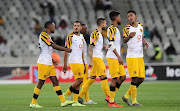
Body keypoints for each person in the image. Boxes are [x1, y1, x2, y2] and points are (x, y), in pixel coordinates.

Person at [29, 21, 73, 108]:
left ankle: (63, 101)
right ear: (49, 27)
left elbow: (47, 49)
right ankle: (33, 103)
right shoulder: (43, 34)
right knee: (41, 82)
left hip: (48, 62)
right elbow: (54, 46)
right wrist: (66, 49)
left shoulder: (48, 36)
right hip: (43, 63)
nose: (54, 28)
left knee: (55, 81)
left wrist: (51, 59)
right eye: (53, 26)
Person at [78, 18, 110, 104]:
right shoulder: (95, 33)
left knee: (91, 79)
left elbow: (96, 46)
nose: (106, 25)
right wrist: (91, 60)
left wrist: (104, 47)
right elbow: (90, 47)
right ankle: (109, 98)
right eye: (105, 23)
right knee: (103, 77)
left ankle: (80, 96)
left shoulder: (99, 34)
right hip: (97, 59)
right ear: (102, 24)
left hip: (97, 57)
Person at [122, 10, 149, 106]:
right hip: (132, 57)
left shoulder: (140, 26)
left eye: (131, 16)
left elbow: (141, 36)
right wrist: (129, 36)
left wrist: (145, 42)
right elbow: (124, 40)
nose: (130, 17)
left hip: (140, 56)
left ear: (135, 16)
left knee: (141, 79)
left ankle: (126, 96)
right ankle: (134, 101)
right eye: (128, 16)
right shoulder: (126, 28)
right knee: (134, 78)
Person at [63, 21, 86, 107]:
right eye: (75, 26)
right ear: (73, 27)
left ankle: (75, 101)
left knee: (78, 81)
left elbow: (82, 51)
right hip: (73, 60)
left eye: (78, 26)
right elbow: (66, 50)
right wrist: (65, 65)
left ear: (81, 28)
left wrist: (83, 63)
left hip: (80, 61)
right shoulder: (70, 37)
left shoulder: (82, 37)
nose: (76, 27)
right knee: (80, 80)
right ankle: (67, 94)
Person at [106, 11, 126, 107]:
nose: (120, 18)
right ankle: (111, 102)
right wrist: (118, 57)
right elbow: (111, 43)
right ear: (115, 18)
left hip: (116, 57)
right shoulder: (111, 29)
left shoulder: (115, 29)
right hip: (113, 57)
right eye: (119, 17)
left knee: (123, 77)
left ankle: (110, 97)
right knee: (114, 79)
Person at [80, 24, 97, 104]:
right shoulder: (79, 39)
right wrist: (83, 64)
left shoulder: (82, 38)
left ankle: (87, 100)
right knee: (82, 82)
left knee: (84, 82)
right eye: (85, 29)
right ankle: (68, 94)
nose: (87, 30)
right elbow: (80, 53)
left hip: (83, 62)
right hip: (81, 62)